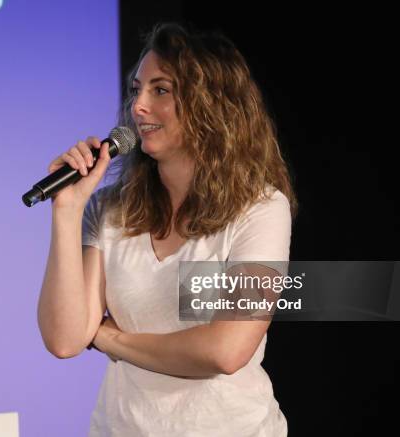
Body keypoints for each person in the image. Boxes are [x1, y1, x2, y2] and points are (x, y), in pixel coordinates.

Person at [37, 22, 298, 437]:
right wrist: (67, 210)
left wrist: (109, 339)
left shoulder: (261, 210)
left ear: (212, 105)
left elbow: (226, 350)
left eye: (160, 90)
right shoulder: (108, 209)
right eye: (136, 89)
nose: (138, 106)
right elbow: (66, 339)